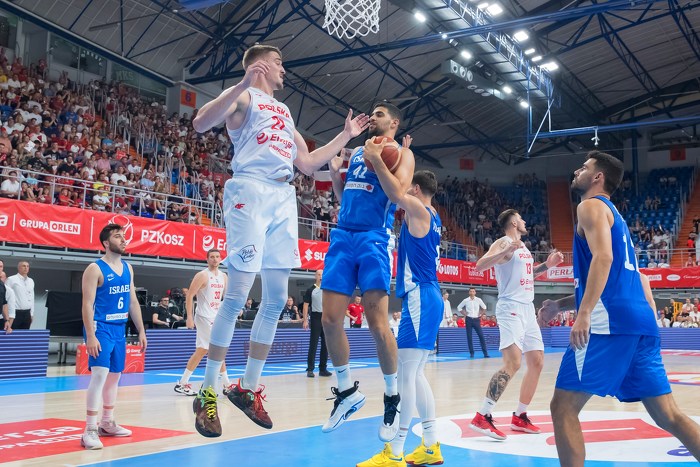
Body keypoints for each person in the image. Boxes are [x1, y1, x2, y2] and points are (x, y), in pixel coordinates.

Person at [190, 43, 369, 437]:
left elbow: (307, 163)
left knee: (276, 298)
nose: (283, 69)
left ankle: (247, 387)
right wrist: (242, 83)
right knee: (237, 295)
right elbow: (201, 122)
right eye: (278, 63)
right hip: (250, 190)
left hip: (283, 196)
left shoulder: (285, 112)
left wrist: (345, 135)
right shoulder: (244, 96)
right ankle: (207, 392)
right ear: (260, 66)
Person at [538, 151, 700, 465]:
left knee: (563, 407)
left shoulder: (589, 206)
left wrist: (584, 313)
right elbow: (621, 279)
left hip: (609, 323)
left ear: (598, 177)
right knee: (669, 415)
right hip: (641, 323)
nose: (577, 170)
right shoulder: (617, 219)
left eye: (584, 167)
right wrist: (560, 305)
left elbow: (604, 259)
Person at [320, 102, 415, 441]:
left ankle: (392, 397)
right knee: (330, 320)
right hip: (343, 235)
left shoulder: (401, 154)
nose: (372, 118)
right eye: (371, 114)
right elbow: (345, 197)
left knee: (377, 324)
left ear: (394, 122)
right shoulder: (358, 151)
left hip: (374, 237)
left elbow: (398, 195)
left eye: (379, 114)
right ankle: (347, 393)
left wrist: (379, 159)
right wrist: (335, 175)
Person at [358, 170, 444, 467]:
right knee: (415, 374)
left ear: (416, 189)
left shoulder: (419, 209)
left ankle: (395, 450)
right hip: (427, 295)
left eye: (409, 186)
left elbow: (394, 193)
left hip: (420, 295)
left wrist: (379, 160)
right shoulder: (433, 215)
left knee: (406, 375)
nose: (404, 189)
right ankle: (430, 445)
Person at [470, 209, 563, 440]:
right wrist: (505, 251)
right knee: (513, 363)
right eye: (520, 218)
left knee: (537, 361)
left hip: (527, 308)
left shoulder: (523, 248)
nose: (524, 221)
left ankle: (520, 416)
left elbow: (527, 276)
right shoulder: (504, 242)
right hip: (511, 307)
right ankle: (482, 415)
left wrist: (548, 265)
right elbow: (480, 266)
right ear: (513, 222)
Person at [80, 223, 147, 450]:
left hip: (119, 328)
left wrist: (141, 330)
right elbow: (87, 304)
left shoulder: (128, 268)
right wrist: (91, 335)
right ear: (106, 243)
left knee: (115, 376)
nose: (124, 239)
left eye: (124, 236)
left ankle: (107, 423)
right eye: (118, 236)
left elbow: (133, 302)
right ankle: (89, 429)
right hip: (100, 327)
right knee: (99, 374)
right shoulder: (95, 268)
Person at [174, 249, 230, 396]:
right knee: (216, 349)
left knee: (204, 350)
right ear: (207, 259)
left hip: (216, 317)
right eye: (212, 257)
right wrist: (189, 317)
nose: (215, 259)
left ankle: (182, 382)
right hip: (204, 316)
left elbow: (226, 297)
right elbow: (189, 296)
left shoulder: (224, 276)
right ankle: (227, 385)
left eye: (217, 257)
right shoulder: (202, 275)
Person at [303, 269, 331, 378]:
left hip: (326, 318)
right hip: (316, 318)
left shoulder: (328, 289)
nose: (321, 276)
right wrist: (305, 320)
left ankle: (323, 369)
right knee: (313, 344)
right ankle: (310, 369)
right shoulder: (311, 290)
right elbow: (306, 305)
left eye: (322, 274)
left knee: (326, 345)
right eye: (319, 274)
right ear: (315, 276)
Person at [456, 288, 490, 358]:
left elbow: (484, 307)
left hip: (476, 319)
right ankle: (471, 353)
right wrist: (464, 314)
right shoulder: (466, 300)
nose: (472, 292)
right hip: (469, 319)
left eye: (473, 291)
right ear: (469, 292)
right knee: (469, 337)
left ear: (475, 292)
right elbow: (459, 307)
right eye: (471, 291)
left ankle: (485, 353)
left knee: (481, 336)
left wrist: (480, 314)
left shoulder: (478, 300)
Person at [5, 260, 35, 329]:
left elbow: (32, 298)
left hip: (27, 313)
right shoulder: (11, 279)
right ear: (18, 268)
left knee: (25, 333)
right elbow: (6, 297)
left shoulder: (31, 281)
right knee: (13, 332)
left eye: (27, 266)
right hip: (15, 312)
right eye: (24, 266)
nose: (26, 268)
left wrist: (32, 314)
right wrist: (7, 315)